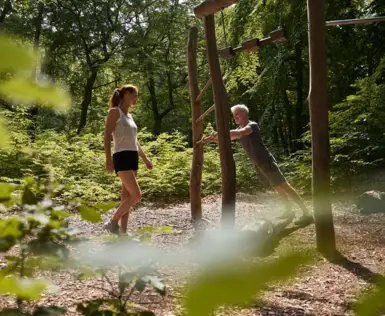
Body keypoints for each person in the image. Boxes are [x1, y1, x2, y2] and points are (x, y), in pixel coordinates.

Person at [204, 104, 313, 225]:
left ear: (244, 114)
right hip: (259, 164)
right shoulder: (240, 128)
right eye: (234, 115)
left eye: (237, 114)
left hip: (266, 161)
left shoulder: (252, 125)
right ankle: (289, 211)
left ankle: (307, 213)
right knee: (277, 187)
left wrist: (220, 132)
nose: (235, 117)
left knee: (284, 185)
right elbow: (228, 137)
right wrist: (212, 139)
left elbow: (242, 132)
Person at [103, 84, 153, 234]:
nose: (136, 98)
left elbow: (135, 141)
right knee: (136, 195)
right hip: (121, 156)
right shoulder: (114, 112)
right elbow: (107, 136)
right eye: (133, 95)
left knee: (126, 197)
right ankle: (112, 222)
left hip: (132, 156)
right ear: (124, 96)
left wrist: (145, 158)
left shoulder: (130, 117)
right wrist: (108, 159)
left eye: (137, 95)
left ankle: (123, 232)